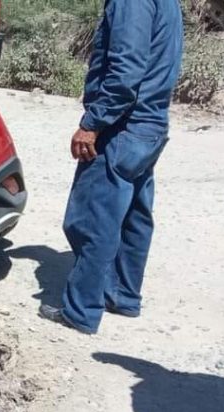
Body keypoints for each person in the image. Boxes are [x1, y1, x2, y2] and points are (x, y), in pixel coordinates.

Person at [39, 0, 183, 334]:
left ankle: (80, 311)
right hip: (150, 123)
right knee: (135, 215)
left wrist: (93, 123)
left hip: (123, 126)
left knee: (90, 220)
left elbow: (126, 70)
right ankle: (123, 296)